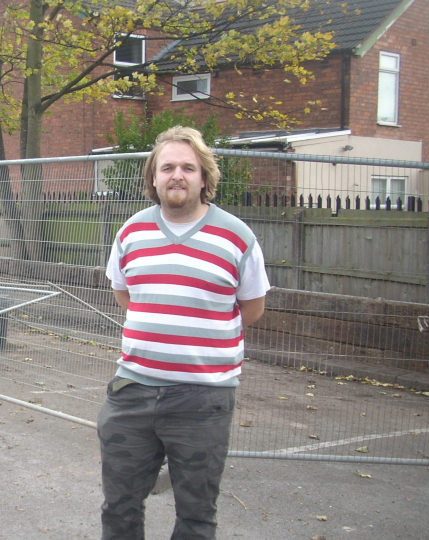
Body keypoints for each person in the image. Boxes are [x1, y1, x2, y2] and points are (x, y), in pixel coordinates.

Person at [99, 126, 270, 540]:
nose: (178, 175)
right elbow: (126, 295)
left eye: (188, 167)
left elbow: (252, 308)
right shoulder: (131, 232)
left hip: (203, 400)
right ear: (153, 178)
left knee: (196, 517)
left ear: (204, 178)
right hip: (132, 394)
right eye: (168, 167)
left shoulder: (237, 237)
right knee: (119, 508)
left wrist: (200, 331)